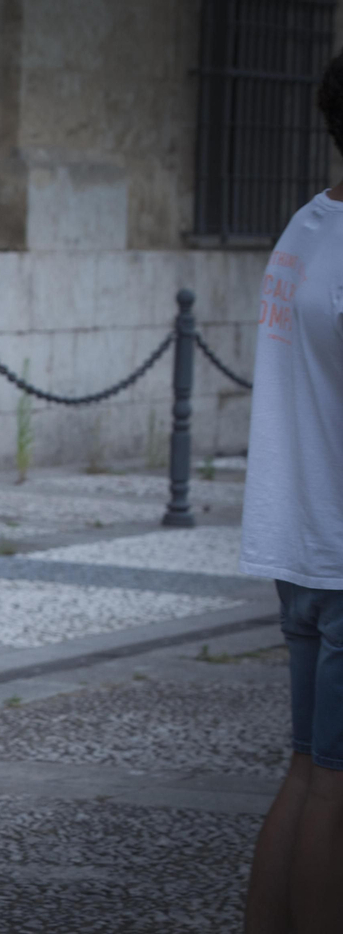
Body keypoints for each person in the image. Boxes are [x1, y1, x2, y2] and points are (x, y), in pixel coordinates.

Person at [240, 50, 343, 934]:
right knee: (334, 795)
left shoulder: (309, 227)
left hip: (305, 549)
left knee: (310, 771)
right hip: (342, 557)